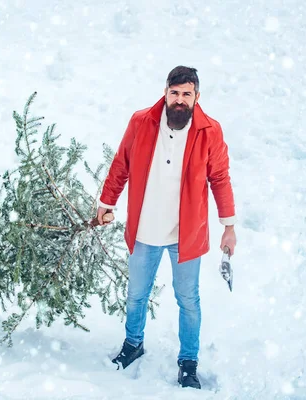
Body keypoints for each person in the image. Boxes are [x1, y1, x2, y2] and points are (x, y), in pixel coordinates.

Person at [97, 66, 237, 389]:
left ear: (196, 97)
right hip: (145, 230)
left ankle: (188, 362)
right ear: (165, 92)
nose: (179, 100)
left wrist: (228, 226)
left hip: (185, 235)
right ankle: (133, 344)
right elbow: (122, 164)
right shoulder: (141, 123)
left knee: (188, 300)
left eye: (186, 94)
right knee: (136, 296)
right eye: (174, 93)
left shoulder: (209, 132)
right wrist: (107, 203)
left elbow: (220, 180)